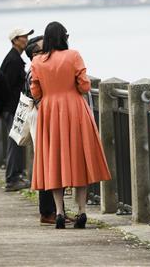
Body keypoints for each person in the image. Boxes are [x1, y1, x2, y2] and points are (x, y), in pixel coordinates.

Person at [30, 21, 110, 229]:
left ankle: (58, 212)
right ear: (64, 37)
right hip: (74, 109)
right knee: (79, 158)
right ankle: (82, 210)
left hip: (49, 111)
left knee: (54, 161)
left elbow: (36, 92)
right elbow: (84, 85)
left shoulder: (37, 61)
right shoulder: (73, 55)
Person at [25, 35, 66, 225]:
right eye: (42, 51)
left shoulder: (37, 68)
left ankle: (56, 211)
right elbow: (35, 96)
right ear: (34, 54)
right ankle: (48, 211)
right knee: (47, 164)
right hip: (41, 119)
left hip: (44, 118)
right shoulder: (33, 71)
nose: (48, 53)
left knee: (50, 163)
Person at [0, 27, 33, 191]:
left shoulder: (14, 58)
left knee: (16, 141)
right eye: (23, 37)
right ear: (15, 41)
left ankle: (16, 175)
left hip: (11, 107)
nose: (26, 39)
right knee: (14, 142)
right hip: (11, 108)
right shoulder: (13, 61)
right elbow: (4, 87)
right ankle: (12, 179)